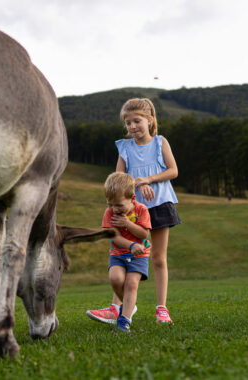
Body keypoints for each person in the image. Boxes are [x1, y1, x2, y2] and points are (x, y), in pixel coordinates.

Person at [88, 98, 181, 324]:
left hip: (160, 205)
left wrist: (148, 179)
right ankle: (116, 307)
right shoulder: (125, 147)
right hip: (132, 210)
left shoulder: (160, 142)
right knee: (123, 255)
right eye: (128, 123)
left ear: (149, 120)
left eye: (137, 121)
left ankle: (161, 309)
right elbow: (119, 180)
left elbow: (173, 171)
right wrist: (132, 189)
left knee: (158, 258)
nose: (132, 127)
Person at [86, 172, 152, 332]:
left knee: (131, 284)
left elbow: (144, 234)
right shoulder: (109, 213)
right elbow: (113, 236)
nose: (114, 209)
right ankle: (129, 306)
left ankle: (124, 320)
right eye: (110, 204)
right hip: (118, 254)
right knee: (115, 279)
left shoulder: (141, 210)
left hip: (139, 256)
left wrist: (127, 224)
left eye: (119, 205)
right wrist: (130, 245)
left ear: (132, 198)